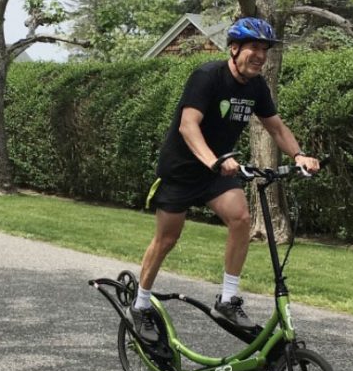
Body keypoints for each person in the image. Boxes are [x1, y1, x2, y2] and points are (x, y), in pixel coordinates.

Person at [127, 17, 319, 336]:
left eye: (264, 50)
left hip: (217, 171)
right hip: (182, 171)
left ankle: (228, 299)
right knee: (167, 239)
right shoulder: (207, 77)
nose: (259, 55)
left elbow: (276, 127)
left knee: (241, 217)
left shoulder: (257, 86)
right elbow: (188, 126)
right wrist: (213, 161)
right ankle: (141, 304)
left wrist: (298, 156)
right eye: (253, 48)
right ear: (234, 49)